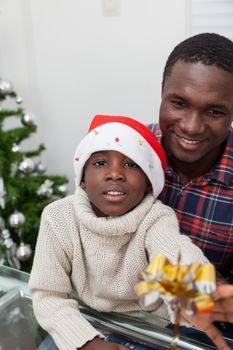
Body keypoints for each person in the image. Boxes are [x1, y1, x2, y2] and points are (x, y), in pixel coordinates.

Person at [29, 114, 215, 350]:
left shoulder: (156, 218)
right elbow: (48, 295)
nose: (115, 173)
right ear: (83, 178)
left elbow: (174, 249)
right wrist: (87, 343)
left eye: (130, 164)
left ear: (149, 182)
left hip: (152, 328)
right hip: (83, 321)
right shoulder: (58, 217)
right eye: (100, 163)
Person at [148, 32, 233, 284]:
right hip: (118, 316)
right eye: (179, 103)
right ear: (162, 92)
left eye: (214, 111)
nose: (192, 127)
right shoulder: (125, 149)